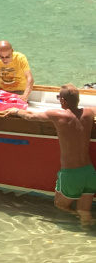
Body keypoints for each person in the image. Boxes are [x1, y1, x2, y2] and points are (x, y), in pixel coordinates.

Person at [20, 84, 96, 217]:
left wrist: (16, 111)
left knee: (60, 205)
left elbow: (30, 116)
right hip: (89, 172)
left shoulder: (57, 115)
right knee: (85, 212)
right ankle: (85, 224)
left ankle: (74, 220)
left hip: (71, 174)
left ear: (62, 100)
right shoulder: (89, 113)